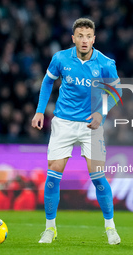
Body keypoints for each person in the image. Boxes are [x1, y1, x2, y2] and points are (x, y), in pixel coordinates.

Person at [31, 18, 122, 245]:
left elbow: (117, 90)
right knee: (53, 176)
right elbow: (47, 83)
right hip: (63, 123)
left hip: (91, 125)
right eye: (80, 36)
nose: (84, 40)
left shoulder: (105, 63)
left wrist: (102, 113)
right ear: (73, 38)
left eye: (88, 36)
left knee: (98, 177)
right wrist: (40, 111)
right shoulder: (60, 58)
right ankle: (50, 229)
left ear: (94, 38)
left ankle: (110, 228)